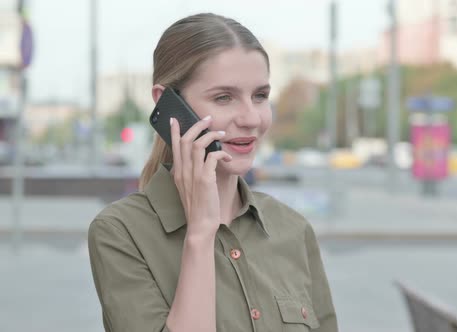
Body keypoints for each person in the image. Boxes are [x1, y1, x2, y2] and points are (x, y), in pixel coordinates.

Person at [87, 13, 338, 332]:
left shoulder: (293, 229)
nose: (251, 118)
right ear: (168, 104)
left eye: (260, 96)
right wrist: (201, 234)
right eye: (224, 97)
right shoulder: (120, 232)